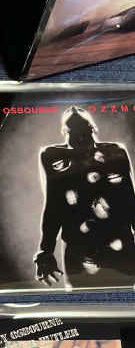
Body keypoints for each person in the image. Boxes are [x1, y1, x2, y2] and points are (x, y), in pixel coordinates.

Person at [35, 106, 135, 289]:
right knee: (85, 299)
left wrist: (45, 252)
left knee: (124, 297)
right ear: (65, 132)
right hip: (79, 248)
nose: (81, 139)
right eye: (74, 133)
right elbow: (53, 208)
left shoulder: (115, 153)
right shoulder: (52, 157)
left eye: (84, 131)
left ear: (92, 129)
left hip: (119, 244)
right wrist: (45, 251)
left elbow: (131, 202)